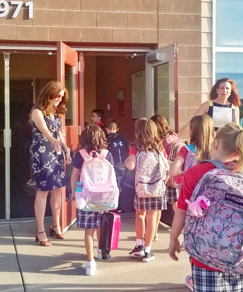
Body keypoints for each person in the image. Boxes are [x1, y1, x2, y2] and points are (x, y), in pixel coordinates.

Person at [168, 123, 243, 292]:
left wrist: (173, 240)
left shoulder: (196, 172)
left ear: (215, 144)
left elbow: (181, 210)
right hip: (239, 254)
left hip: (203, 254)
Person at [70, 124, 115, 276]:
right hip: (104, 198)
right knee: (101, 225)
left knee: (89, 232)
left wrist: (76, 193)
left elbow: (75, 177)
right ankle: (101, 251)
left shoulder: (80, 155)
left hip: (86, 198)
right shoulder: (107, 154)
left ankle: (90, 263)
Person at [30, 81, 72, 247]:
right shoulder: (37, 111)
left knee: (57, 190)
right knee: (43, 191)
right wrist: (54, 141)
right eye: (57, 96)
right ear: (49, 94)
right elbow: (45, 131)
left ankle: (56, 225)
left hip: (56, 154)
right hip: (42, 153)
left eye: (62, 97)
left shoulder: (57, 112)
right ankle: (40, 231)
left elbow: (60, 134)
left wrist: (66, 149)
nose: (59, 99)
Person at [125, 118, 168, 262]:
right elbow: (165, 165)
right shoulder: (159, 147)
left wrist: (127, 162)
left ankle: (139, 245)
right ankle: (148, 250)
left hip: (142, 187)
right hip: (156, 188)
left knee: (140, 215)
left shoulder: (134, 147)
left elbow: (131, 165)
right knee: (152, 217)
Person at [150, 114, 182, 241]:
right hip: (175, 176)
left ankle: (154, 232)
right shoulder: (174, 137)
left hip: (166, 177)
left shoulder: (163, 141)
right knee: (176, 205)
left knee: (160, 206)